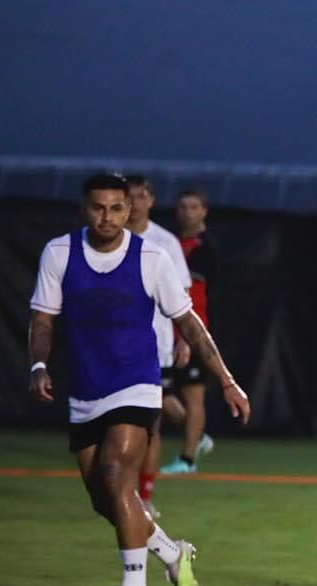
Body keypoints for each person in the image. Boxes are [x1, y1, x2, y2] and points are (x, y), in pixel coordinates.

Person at [27, 172, 250, 586]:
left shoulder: (152, 256)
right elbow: (43, 319)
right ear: (84, 209)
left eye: (116, 208)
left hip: (138, 383)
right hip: (86, 389)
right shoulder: (59, 252)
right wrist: (38, 366)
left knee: (116, 476)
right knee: (103, 499)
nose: (107, 217)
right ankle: (172, 552)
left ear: (129, 210)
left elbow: (190, 323)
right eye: (98, 208)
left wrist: (226, 380)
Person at [124, 174, 193, 514]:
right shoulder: (105, 240)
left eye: (141, 196)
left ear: (150, 200)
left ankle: (145, 497)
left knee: (150, 426)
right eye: (129, 196)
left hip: (154, 347)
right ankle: (120, 491)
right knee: (112, 426)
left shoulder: (165, 242)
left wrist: (184, 339)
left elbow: (182, 295)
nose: (135, 203)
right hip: (111, 347)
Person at [160, 188, 219, 474]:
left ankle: (187, 460)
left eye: (194, 207)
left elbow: (197, 295)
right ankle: (198, 436)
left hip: (192, 330)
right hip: (163, 330)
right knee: (158, 392)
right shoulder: (168, 242)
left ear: (204, 211)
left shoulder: (205, 248)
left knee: (193, 394)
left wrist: (189, 335)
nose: (187, 212)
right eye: (183, 206)